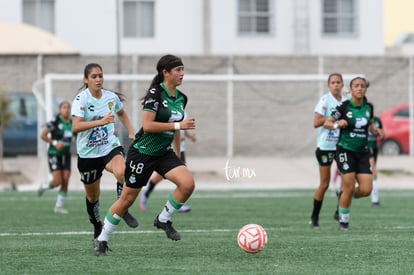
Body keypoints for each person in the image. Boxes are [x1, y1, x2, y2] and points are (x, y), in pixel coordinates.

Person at [94, 54, 196, 256]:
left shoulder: (182, 98)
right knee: (126, 201)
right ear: (165, 73)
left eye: (183, 69)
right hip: (143, 153)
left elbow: (176, 129)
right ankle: (102, 239)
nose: (182, 74)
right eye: (178, 70)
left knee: (187, 184)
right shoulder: (155, 93)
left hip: (163, 153)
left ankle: (163, 220)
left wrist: (178, 156)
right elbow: (148, 126)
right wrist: (179, 125)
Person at [71, 63, 138, 241]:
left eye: (100, 75)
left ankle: (121, 208)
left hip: (109, 146)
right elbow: (76, 126)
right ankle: (96, 224)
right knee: (93, 196)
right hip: (88, 154)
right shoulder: (81, 100)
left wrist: (131, 131)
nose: (98, 79)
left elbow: (121, 113)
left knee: (123, 172)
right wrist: (100, 121)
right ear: (86, 80)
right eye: (94, 76)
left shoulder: (111, 97)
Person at [324, 77, 383, 230]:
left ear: (365, 89)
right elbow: (327, 122)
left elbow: (369, 124)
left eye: (362, 86)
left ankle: (343, 194)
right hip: (345, 151)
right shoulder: (343, 107)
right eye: (356, 86)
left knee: (366, 190)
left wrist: (375, 130)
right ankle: (343, 221)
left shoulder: (368, 107)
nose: (359, 88)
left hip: (362, 152)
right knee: (349, 186)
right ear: (350, 90)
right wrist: (338, 124)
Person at [309, 73, 347, 229]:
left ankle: (339, 211)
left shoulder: (346, 102)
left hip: (343, 146)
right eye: (333, 82)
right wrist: (331, 120)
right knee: (324, 184)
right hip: (326, 146)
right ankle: (314, 217)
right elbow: (316, 123)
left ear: (343, 85)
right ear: (328, 85)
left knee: (347, 181)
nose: (336, 85)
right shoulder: (325, 100)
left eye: (338, 82)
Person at [139, 114, 196, 213]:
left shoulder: (181, 110)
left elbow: (182, 127)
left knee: (183, 178)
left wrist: (190, 137)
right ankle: (146, 194)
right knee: (160, 177)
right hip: (170, 150)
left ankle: (179, 203)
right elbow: (172, 128)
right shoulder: (169, 110)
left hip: (180, 150)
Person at [38, 101, 73, 214]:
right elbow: (43, 135)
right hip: (54, 154)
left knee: (66, 179)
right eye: (64, 107)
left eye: (68, 108)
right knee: (57, 181)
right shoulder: (55, 122)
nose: (66, 110)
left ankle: (59, 206)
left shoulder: (72, 123)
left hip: (66, 154)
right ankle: (45, 186)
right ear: (60, 110)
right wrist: (54, 143)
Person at [368, 115, 383, 207]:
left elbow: (382, 133)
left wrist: (379, 132)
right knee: (374, 172)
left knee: (371, 172)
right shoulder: (363, 118)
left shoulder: (377, 120)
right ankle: (375, 200)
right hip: (366, 147)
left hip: (374, 148)